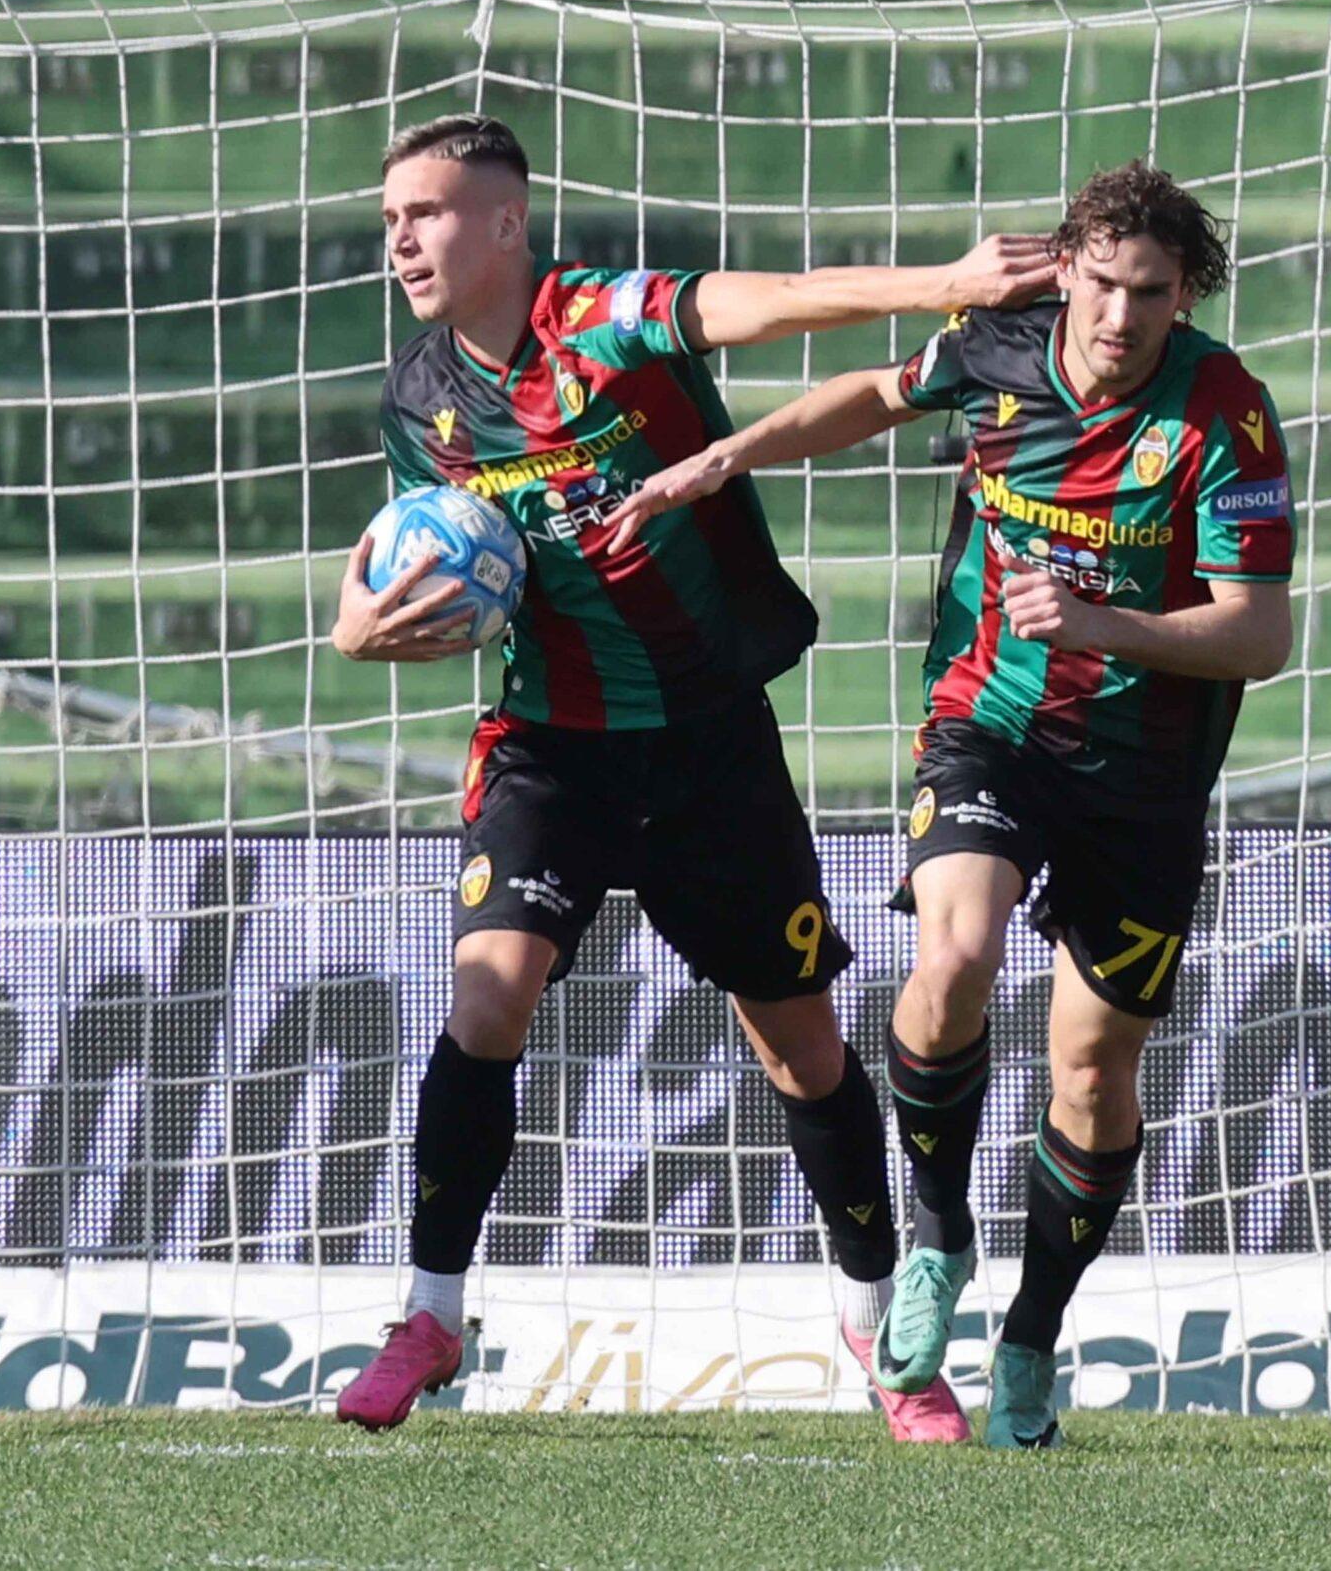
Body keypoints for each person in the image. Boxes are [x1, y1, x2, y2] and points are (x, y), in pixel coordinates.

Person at [330, 112, 1052, 1439]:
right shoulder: (419, 399)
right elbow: (393, 574)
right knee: (488, 995)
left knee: (801, 1044)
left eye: (425, 213)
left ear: (503, 222)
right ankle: (430, 1314)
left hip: (710, 743)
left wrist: (942, 284)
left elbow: (767, 305)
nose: (402, 239)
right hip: (550, 750)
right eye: (389, 221)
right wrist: (357, 629)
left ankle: (881, 1328)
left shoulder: (599, 320)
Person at [610, 160, 1294, 1448]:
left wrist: (1102, 619)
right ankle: (936, 1236)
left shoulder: (1224, 414)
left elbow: (1260, 635)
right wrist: (728, 454)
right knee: (957, 947)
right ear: (1069, 271)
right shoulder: (999, 346)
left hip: (1142, 781)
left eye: (1152, 293)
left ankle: (1032, 1333)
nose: (1120, 316)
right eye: (1101, 283)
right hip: (988, 728)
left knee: (1092, 1073)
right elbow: (876, 392)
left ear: (1183, 295)